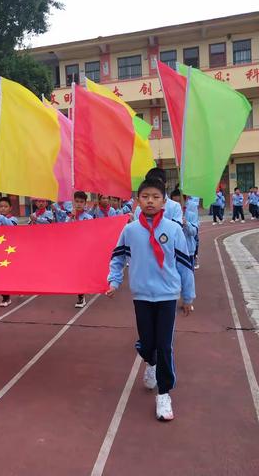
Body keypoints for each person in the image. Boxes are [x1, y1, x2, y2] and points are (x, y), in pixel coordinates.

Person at [106, 177, 195, 421]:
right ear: (138, 201)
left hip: (167, 295)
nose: (150, 201)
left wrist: (187, 296)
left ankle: (164, 394)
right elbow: (118, 257)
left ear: (164, 201)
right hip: (142, 295)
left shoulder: (174, 229)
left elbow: (185, 266)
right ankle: (151, 363)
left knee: (164, 344)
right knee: (147, 343)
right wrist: (113, 281)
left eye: (156, 197)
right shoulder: (130, 230)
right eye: (145, 197)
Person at [65, 191, 93, 308]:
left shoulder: (88, 217)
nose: (79, 204)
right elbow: (65, 230)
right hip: (73, 249)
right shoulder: (69, 217)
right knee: (76, 273)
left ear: (85, 203)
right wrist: (72, 217)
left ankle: (81, 295)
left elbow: (92, 232)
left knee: (82, 272)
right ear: (73, 202)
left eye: (81, 202)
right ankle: (80, 294)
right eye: (77, 201)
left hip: (84, 249)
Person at [0, 196, 18, 308]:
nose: (3, 208)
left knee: (13, 272)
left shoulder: (14, 219)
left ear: (10, 208)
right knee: (1, 273)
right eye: (1, 206)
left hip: (11, 250)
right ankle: (5, 296)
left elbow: (10, 226)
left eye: (5, 206)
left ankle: (18, 286)